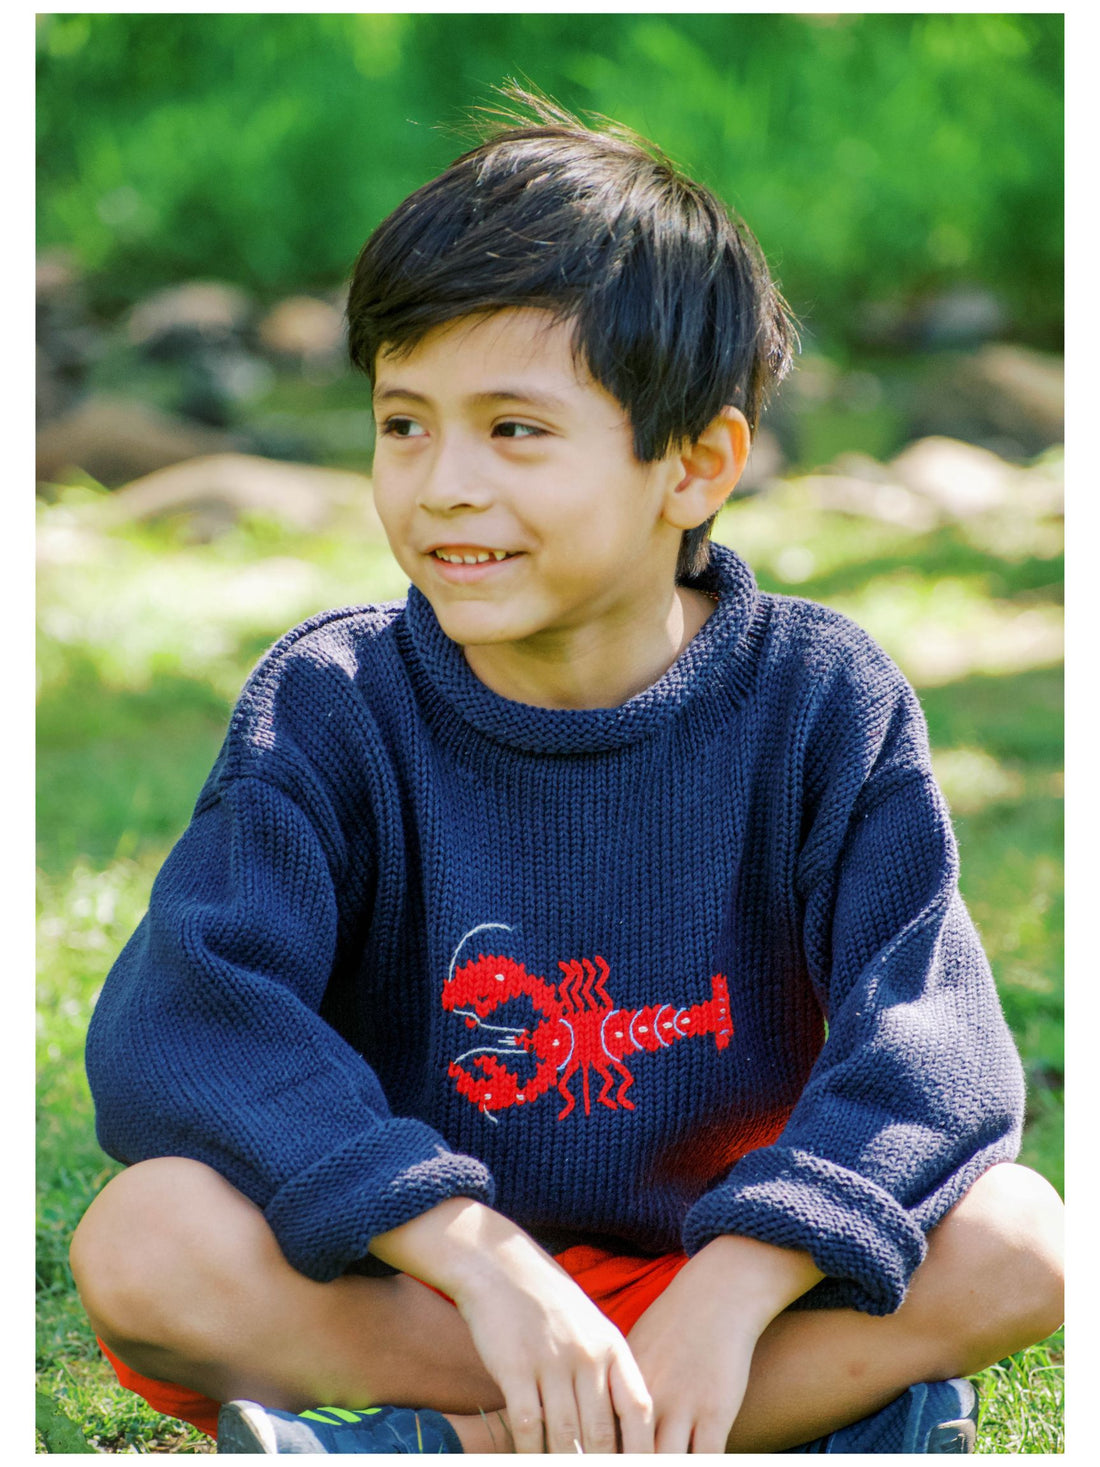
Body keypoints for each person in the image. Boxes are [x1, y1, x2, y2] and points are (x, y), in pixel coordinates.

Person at [69, 93, 1064, 1455]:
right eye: (404, 422)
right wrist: (477, 1256)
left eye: (515, 431)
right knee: (144, 1241)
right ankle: (768, 1420)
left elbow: (932, 1051)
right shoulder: (332, 701)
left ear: (697, 465)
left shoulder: (824, 702)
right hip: (426, 1282)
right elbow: (186, 1024)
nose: (442, 486)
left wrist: (742, 1278)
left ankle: (450, 1446)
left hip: (724, 1282)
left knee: (1021, 1244)